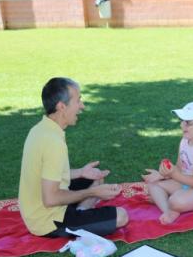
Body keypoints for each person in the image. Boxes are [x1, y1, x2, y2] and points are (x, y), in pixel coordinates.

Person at [18, 77, 128, 237]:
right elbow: (50, 199)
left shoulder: (41, 128)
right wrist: (93, 193)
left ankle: (81, 213)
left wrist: (81, 173)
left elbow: (48, 174)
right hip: (48, 221)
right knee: (121, 216)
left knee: (95, 177)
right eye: (78, 101)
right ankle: (79, 217)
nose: (82, 106)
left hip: (38, 208)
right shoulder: (53, 142)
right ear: (62, 107)